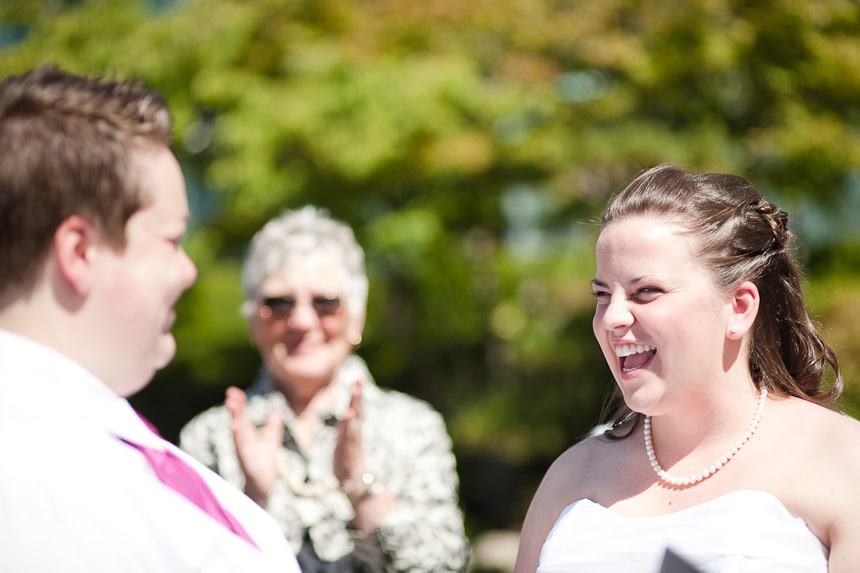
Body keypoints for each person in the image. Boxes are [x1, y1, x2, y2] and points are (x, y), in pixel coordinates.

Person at [0, 66, 301, 572]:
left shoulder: (83, 440)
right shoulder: (44, 481)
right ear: (81, 253)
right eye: (172, 239)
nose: (188, 271)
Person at [514, 164, 860, 572]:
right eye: (603, 294)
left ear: (739, 307)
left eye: (646, 292)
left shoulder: (841, 459)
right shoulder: (573, 473)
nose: (612, 318)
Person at [180, 205, 471, 572]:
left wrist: (362, 489)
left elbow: (443, 566)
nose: (302, 320)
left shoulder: (411, 427)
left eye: (325, 303)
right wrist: (252, 500)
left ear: (357, 316)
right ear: (254, 320)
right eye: (279, 303)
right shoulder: (209, 438)